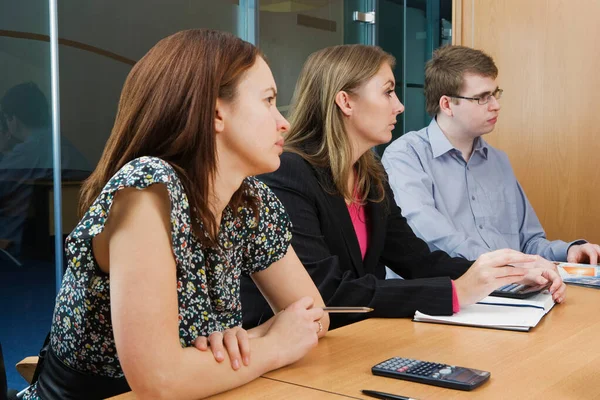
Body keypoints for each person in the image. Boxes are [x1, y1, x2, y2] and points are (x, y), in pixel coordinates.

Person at [22, 29, 329, 400]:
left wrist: (245, 340)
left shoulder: (249, 200)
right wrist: (273, 345)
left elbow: (312, 317)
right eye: (268, 101)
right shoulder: (147, 189)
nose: (285, 123)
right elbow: (160, 382)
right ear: (216, 112)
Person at [241, 44, 565, 331]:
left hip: (354, 338)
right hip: (288, 350)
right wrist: (454, 293)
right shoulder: (288, 174)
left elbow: (416, 260)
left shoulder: (371, 173)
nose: (399, 106)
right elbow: (327, 290)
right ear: (346, 101)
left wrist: (509, 273)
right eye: (387, 92)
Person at [382, 45, 600, 264]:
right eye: (482, 98)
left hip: (509, 289)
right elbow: (429, 237)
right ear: (447, 105)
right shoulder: (406, 156)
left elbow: (529, 244)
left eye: (495, 94)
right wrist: (507, 265)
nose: (496, 106)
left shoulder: (498, 161)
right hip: (446, 290)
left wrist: (570, 251)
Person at [0, 82, 91, 258]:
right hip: (66, 241)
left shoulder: (28, 151)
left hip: (16, 244)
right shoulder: (61, 145)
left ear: (13, 119)